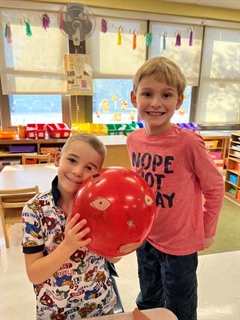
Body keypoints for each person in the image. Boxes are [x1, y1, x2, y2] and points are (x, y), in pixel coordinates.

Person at [126, 56, 225, 320]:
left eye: (166, 95)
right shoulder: (133, 140)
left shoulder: (188, 144)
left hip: (180, 245)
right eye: (147, 93)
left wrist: (208, 230)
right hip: (146, 238)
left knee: (180, 307)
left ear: (178, 101)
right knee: (148, 299)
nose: (156, 103)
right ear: (134, 98)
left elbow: (215, 186)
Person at [21, 133, 121, 319]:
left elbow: (113, 259)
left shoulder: (102, 205)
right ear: (58, 159)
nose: (77, 171)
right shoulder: (35, 209)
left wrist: (125, 240)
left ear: (98, 174)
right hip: (55, 312)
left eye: (89, 167)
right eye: (72, 160)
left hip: (101, 306)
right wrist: (69, 245)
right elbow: (34, 275)